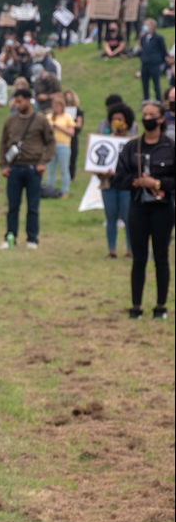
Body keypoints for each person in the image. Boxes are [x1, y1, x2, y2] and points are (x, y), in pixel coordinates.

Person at [117, 100, 174, 320]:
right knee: (138, 258)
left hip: (162, 209)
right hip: (138, 208)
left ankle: (160, 306)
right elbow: (119, 177)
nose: (147, 118)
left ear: (161, 119)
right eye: (145, 114)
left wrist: (157, 184)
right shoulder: (132, 147)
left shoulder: (170, 147)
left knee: (161, 256)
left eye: (151, 114)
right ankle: (136, 306)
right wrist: (136, 182)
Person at [0, 88, 55, 249]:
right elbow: (3, 144)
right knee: (12, 207)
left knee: (33, 207)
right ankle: (10, 237)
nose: (17, 104)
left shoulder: (41, 120)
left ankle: (32, 239)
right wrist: (3, 165)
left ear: (29, 101)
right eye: (15, 101)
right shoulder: (10, 121)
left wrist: (43, 161)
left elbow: (51, 143)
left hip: (33, 169)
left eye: (20, 101)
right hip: (14, 169)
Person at [96, 103, 135, 258]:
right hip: (109, 184)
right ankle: (111, 250)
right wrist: (102, 172)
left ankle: (130, 250)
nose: (116, 122)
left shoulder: (133, 142)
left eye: (119, 119)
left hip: (126, 185)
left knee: (128, 218)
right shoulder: (104, 142)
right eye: (113, 119)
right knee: (110, 217)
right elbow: (97, 164)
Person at [45, 94, 77, 198]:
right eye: (54, 106)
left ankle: (64, 191)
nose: (56, 108)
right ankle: (50, 190)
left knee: (64, 169)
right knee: (51, 170)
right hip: (50, 146)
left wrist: (58, 127)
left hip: (63, 146)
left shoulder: (67, 117)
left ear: (62, 106)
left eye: (58, 106)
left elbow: (71, 132)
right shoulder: (48, 117)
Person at [138, 19, 168, 101]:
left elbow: (163, 51)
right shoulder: (143, 38)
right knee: (145, 84)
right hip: (145, 64)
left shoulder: (158, 38)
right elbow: (141, 49)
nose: (145, 27)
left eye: (147, 25)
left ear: (152, 26)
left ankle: (159, 100)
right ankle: (146, 99)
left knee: (156, 84)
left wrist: (160, 61)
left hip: (154, 64)